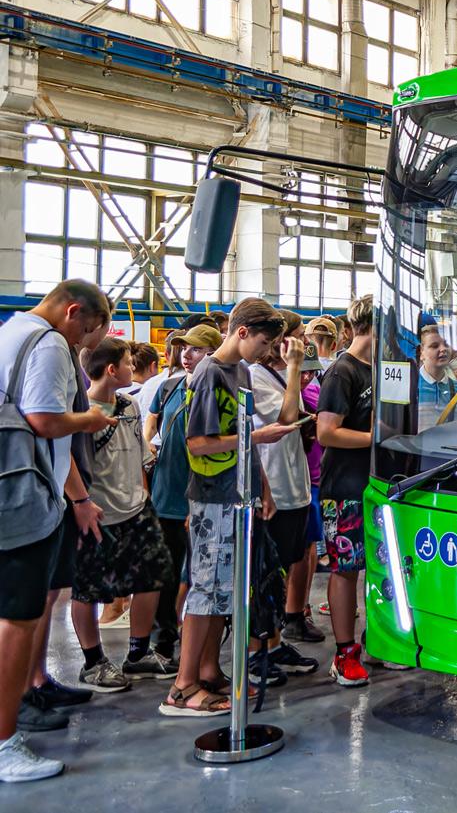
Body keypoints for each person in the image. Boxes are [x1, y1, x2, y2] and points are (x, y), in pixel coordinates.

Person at [160, 299, 297, 717]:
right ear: (242, 332)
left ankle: (208, 669)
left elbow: (242, 430)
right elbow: (198, 442)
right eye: (263, 343)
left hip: (238, 495)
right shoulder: (209, 374)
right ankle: (182, 686)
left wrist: (262, 485)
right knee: (205, 589)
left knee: (226, 590)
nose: (266, 352)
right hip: (212, 496)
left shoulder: (241, 373)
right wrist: (256, 440)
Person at [0, 281, 113, 782]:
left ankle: (31, 688)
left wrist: (78, 498)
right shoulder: (47, 343)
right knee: (18, 618)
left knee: (27, 608)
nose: (81, 343)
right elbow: (44, 420)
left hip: (21, 491)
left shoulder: (12, 331)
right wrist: (88, 419)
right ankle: (5, 743)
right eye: (85, 332)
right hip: (22, 498)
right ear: (71, 312)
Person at [68, 339, 178, 691]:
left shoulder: (129, 404)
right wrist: (82, 503)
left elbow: (139, 455)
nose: (134, 367)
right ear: (112, 369)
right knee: (86, 589)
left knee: (152, 577)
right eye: (129, 362)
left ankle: (138, 653)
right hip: (97, 514)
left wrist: (144, 496)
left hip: (137, 509)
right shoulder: (81, 413)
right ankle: (93, 662)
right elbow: (68, 461)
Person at [247, 313, 319, 678]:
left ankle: (274, 644)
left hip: (294, 486)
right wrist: (294, 367)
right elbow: (285, 417)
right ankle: (256, 651)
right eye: (299, 336)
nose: (304, 343)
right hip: (272, 488)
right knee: (264, 576)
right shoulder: (256, 376)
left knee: (283, 571)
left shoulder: (280, 376)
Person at [144, 324, 219, 660]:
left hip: (199, 497)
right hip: (166, 494)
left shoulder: (212, 391)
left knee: (200, 575)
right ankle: (163, 640)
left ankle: (197, 647)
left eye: (196, 349)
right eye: (184, 348)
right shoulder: (169, 386)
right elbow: (152, 418)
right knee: (167, 571)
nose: (187, 355)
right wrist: (148, 444)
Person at [317, 296, 376, 687]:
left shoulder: (384, 370)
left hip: (379, 486)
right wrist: (375, 439)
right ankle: (344, 653)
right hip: (345, 488)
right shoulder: (343, 371)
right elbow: (327, 432)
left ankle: (380, 641)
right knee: (346, 570)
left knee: (379, 567)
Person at [282, 345, 326, 645]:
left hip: (310, 478)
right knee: (298, 551)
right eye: (304, 371)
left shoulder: (307, 388)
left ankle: (298, 609)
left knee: (306, 549)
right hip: (297, 481)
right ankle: (293, 612)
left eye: (311, 372)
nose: (307, 376)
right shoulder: (294, 390)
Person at [416, 325, 457, 429]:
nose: (443, 349)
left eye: (446, 344)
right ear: (421, 352)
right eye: (434, 346)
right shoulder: (410, 387)